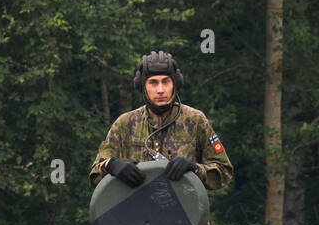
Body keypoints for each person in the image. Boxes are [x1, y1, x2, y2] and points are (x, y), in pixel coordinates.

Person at [88, 51, 233, 190]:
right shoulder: (125, 124)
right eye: (153, 83)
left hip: (185, 211)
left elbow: (224, 172)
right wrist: (112, 165)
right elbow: (95, 174)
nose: (160, 90)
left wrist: (194, 169)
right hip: (136, 212)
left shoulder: (195, 121)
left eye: (166, 82)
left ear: (175, 84)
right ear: (142, 86)